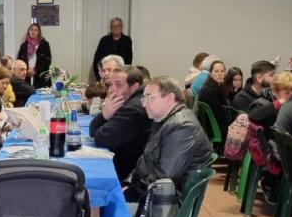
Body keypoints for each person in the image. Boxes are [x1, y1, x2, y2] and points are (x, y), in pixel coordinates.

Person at [124, 76, 212, 204]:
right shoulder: (163, 119)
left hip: (167, 202)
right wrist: (128, 182)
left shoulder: (183, 126)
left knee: (105, 209)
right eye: (143, 99)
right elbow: (146, 159)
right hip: (154, 192)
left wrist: (129, 194)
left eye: (150, 97)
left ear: (170, 98)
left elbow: (165, 176)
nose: (144, 104)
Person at [90, 65, 153, 183]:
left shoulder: (134, 108)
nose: (111, 89)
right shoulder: (128, 100)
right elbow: (93, 131)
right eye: (110, 84)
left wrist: (105, 114)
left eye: (118, 85)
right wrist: (105, 115)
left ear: (134, 87)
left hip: (130, 175)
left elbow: (101, 138)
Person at [91, 17, 133, 82]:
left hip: (121, 76)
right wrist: (98, 76)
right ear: (110, 28)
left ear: (121, 27)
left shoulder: (127, 40)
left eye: (117, 26)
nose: (115, 28)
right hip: (105, 75)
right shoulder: (104, 40)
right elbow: (97, 59)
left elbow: (129, 59)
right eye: (113, 26)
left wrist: (125, 74)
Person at [197, 59, 231, 135]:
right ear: (210, 73)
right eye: (216, 71)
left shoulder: (218, 87)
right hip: (214, 128)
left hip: (213, 125)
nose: (220, 74)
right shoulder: (210, 90)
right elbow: (219, 114)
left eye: (222, 71)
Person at [16, 23, 52, 88]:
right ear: (28, 31)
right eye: (31, 29)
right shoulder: (23, 46)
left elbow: (47, 61)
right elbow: (19, 61)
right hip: (26, 77)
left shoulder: (45, 44)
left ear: (39, 32)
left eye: (36, 30)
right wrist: (25, 71)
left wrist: (35, 70)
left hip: (41, 78)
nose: (33, 32)